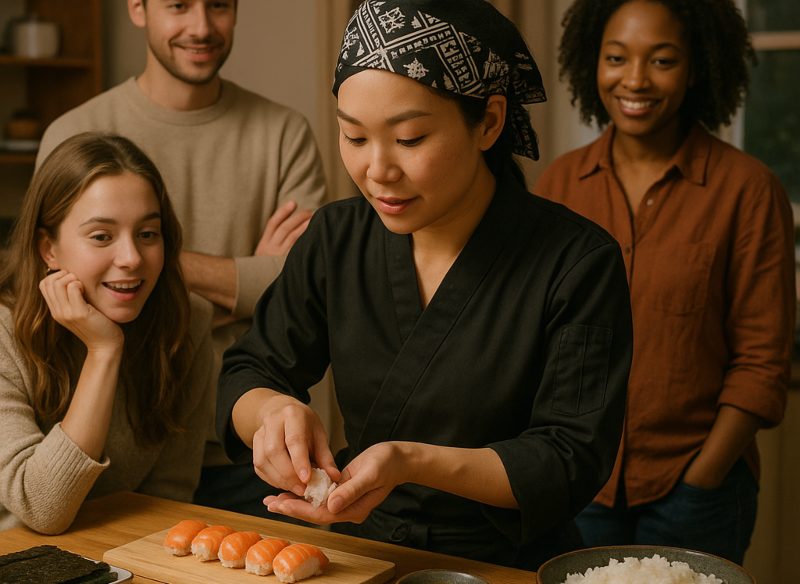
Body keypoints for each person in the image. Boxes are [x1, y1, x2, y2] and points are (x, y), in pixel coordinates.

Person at [216, 0, 633, 570]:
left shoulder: (577, 261)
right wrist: (271, 412)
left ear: (489, 122)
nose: (377, 170)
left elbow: (568, 458)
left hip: (505, 565)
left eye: (409, 139)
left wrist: (409, 462)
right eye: (354, 137)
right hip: (361, 553)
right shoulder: (337, 237)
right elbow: (249, 370)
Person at [35, 0, 328, 516]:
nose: (201, 26)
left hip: (256, 447)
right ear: (138, 8)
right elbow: (68, 291)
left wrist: (148, 287)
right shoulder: (76, 131)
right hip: (119, 441)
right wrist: (248, 279)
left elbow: (307, 292)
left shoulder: (284, 133)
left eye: (218, 5)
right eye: (178, 5)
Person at [534, 0, 795, 564]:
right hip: (579, 485)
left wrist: (703, 476)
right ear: (591, 62)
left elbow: (762, 363)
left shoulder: (748, 191)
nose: (635, 80)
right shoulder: (559, 185)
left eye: (662, 60)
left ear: (696, 66)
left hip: (697, 493)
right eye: (616, 58)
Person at [0, 132, 215, 534]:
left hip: (122, 554)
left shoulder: (187, 324)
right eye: (102, 236)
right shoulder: (2, 335)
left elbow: (170, 496)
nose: (131, 258)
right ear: (48, 249)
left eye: (147, 234)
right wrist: (103, 350)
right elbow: (41, 508)